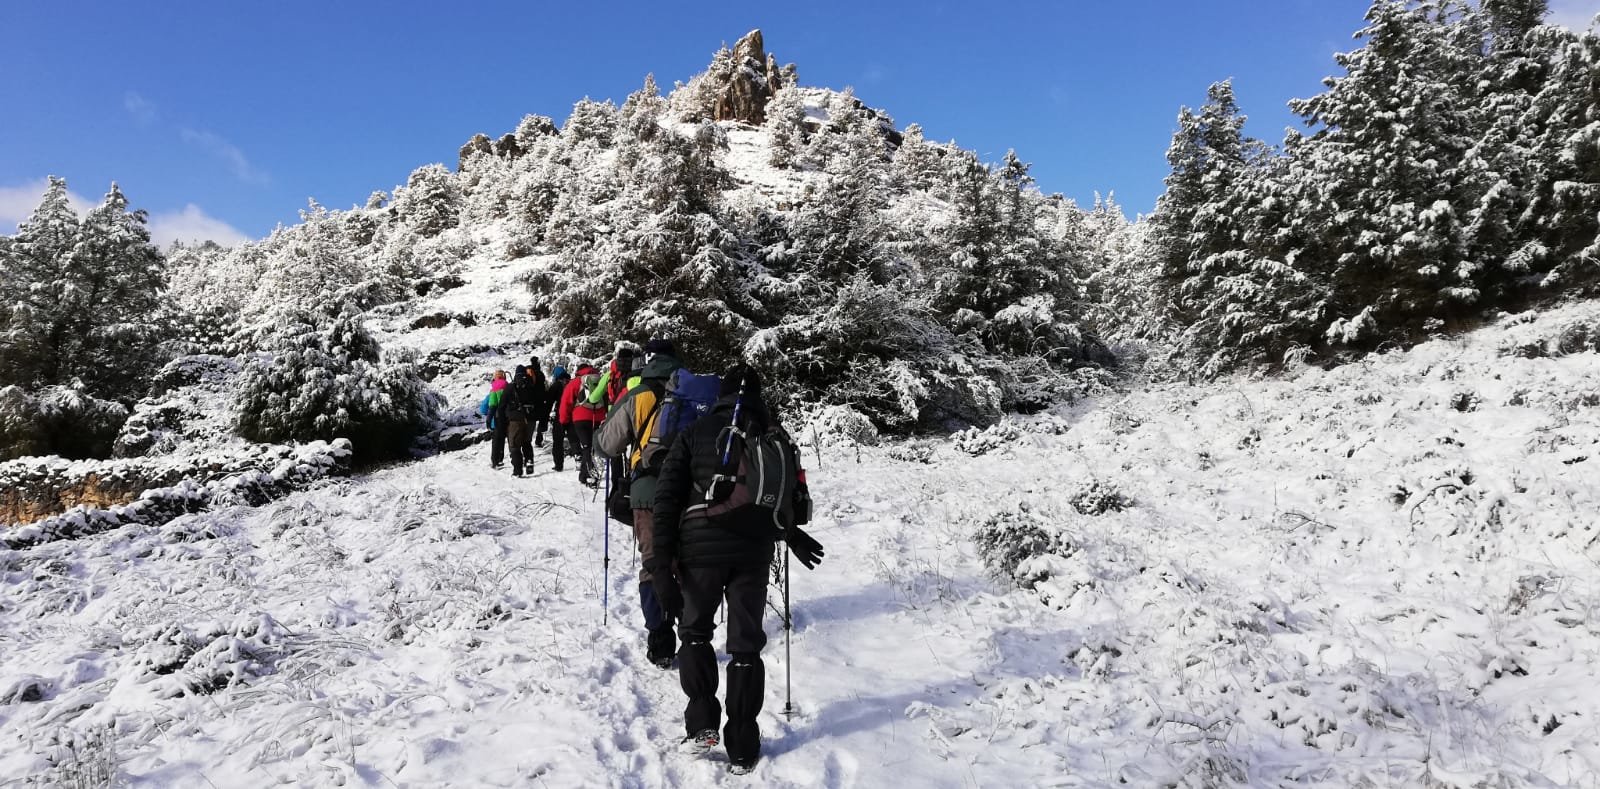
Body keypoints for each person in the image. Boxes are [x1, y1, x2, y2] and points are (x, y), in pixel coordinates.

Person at [651, 366, 826, 774]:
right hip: (754, 550)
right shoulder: (775, 436)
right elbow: (793, 500)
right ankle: (744, 744)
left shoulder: (695, 432)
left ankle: (702, 726)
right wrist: (792, 535)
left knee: (695, 632)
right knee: (746, 644)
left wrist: (662, 560)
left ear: (720, 395)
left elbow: (667, 498)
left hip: (700, 549)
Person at [595, 339, 685, 668]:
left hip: (648, 492)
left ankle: (661, 641)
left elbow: (606, 444)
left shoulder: (640, 393)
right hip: (692, 491)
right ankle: (694, 631)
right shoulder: (694, 392)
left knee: (654, 564)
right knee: (687, 559)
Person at [559, 362, 603, 486]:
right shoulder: (599, 380)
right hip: (597, 417)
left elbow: (566, 403)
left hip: (580, 418)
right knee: (591, 447)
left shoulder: (575, 382)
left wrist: (564, 420)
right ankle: (584, 474)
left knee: (586, 447)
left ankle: (589, 475)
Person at [503, 364, 542, 477]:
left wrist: (503, 419)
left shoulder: (511, 387)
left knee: (515, 445)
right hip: (531, 419)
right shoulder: (532, 386)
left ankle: (517, 471)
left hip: (515, 420)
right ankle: (529, 460)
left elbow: (502, 405)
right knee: (526, 442)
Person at [543, 365, 571, 471]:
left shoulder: (556, 385)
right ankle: (578, 457)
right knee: (574, 438)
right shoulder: (571, 383)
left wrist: (545, 417)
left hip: (560, 414)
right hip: (573, 414)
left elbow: (549, 401)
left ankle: (558, 464)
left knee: (557, 440)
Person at [483, 370, 509, 469]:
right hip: (509, 418)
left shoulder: (494, 389)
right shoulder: (508, 387)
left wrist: (488, 420)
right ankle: (501, 459)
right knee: (503, 439)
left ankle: (495, 461)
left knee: (496, 441)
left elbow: (492, 406)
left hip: (498, 418)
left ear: (495, 378)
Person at [527, 357, 550, 447]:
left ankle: (527, 440)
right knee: (542, 418)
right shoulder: (540, 373)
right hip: (540, 400)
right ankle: (538, 439)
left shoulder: (528, 372)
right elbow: (542, 387)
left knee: (529, 421)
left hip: (530, 401)